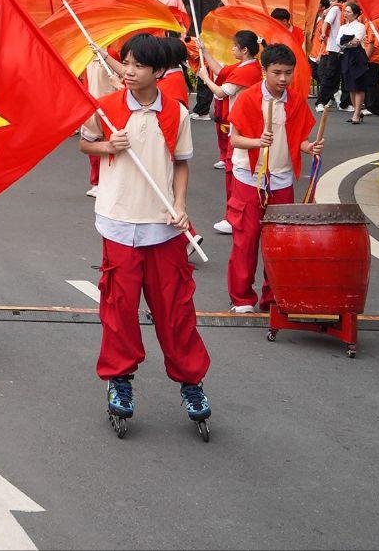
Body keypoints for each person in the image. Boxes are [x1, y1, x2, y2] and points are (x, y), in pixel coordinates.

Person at [78, 31, 210, 432]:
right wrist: (108, 147)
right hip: (118, 222)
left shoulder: (177, 113)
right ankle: (119, 381)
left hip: (163, 226)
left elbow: (182, 163)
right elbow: (86, 145)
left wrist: (182, 205)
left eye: (138, 66)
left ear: (159, 71)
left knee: (176, 310)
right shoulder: (104, 108)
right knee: (119, 310)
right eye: (127, 63)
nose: (128, 72)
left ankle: (191, 383)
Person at [223, 43, 322, 311]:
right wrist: (257, 141)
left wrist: (308, 147)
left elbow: (297, 139)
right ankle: (242, 297)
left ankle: (274, 296)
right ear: (264, 70)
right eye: (277, 72)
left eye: (288, 73)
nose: (283, 79)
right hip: (249, 177)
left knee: (279, 240)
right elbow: (234, 139)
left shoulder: (296, 100)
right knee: (246, 238)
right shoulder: (247, 98)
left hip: (281, 178)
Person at [209, 31, 262, 224]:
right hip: (243, 123)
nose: (232, 48)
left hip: (241, 124)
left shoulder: (246, 70)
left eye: (234, 46)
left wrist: (204, 79)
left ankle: (234, 217)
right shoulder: (248, 66)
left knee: (235, 172)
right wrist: (204, 52)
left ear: (244, 49)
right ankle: (235, 215)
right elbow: (220, 71)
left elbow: (222, 91)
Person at [337, 2, 379, 125]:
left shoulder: (360, 26)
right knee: (350, 85)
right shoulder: (342, 27)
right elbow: (338, 42)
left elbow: (356, 41)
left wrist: (347, 41)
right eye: (345, 11)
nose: (346, 13)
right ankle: (356, 111)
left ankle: (357, 113)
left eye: (349, 11)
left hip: (357, 56)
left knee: (358, 85)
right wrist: (347, 41)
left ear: (355, 14)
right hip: (346, 56)